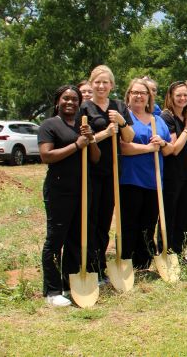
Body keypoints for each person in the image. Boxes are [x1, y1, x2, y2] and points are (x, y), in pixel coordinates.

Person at [39, 85, 101, 307]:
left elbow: (95, 158)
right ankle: (52, 290)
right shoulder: (50, 125)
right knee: (56, 239)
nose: (70, 103)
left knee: (77, 238)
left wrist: (91, 139)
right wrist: (77, 144)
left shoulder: (83, 126)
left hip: (83, 188)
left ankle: (70, 283)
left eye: (74, 99)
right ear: (58, 101)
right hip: (59, 189)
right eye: (66, 99)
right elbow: (46, 156)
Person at [79, 65, 134, 278]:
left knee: (104, 220)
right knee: (90, 219)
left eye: (105, 82)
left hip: (112, 171)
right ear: (91, 84)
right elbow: (81, 139)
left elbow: (128, 138)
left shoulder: (119, 106)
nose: (101, 86)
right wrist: (105, 133)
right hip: (90, 171)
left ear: (111, 85)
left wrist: (121, 123)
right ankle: (88, 265)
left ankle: (100, 265)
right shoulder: (84, 108)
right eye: (97, 82)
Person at [118, 79, 173, 269]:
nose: (139, 96)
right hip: (131, 179)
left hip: (154, 180)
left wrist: (163, 143)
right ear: (129, 95)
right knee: (129, 223)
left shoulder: (157, 120)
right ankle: (125, 261)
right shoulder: (125, 118)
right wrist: (149, 147)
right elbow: (122, 148)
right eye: (135, 92)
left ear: (149, 97)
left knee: (148, 224)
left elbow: (167, 150)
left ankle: (143, 262)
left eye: (143, 93)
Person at [159, 81, 187, 255]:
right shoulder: (167, 117)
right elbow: (174, 149)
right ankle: (166, 250)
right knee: (170, 214)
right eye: (178, 95)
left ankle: (178, 250)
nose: (182, 98)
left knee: (183, 214)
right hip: (173, 174)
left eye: (185, 95)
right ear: (171, 97)